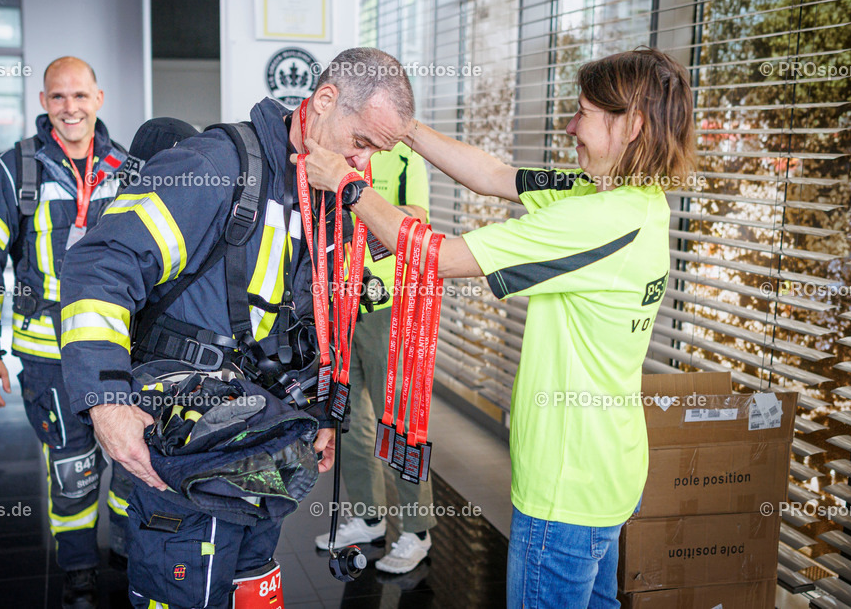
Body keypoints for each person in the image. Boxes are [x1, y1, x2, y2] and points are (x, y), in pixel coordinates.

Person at [297, 48, 697, 608]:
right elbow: (492, 175)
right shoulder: (624, 198)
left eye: (583, 113)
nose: (569, 126)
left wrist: (348, 185)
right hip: (609, 472)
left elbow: (438, 257)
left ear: (631, 125)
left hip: (566, 488)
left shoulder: (594, 219)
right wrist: (403, 128)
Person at [56, 47, 415, 608]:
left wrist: (323, 413)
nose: (362, 164)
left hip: (265, 454)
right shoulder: (217, 165)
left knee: (252, 592)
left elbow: (316, 319)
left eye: (375, 152)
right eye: (362, 142)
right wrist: (105, 401)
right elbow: (102, 265)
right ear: (322, 102)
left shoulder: (327, 196)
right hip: (186, 457)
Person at [0, 57, 147, 609]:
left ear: (100, 98)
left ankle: (128, 550)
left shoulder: (126, 167)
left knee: (132, 459)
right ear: (44, 101)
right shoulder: (11, 170)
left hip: (119, 352)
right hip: (48, 356)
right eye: (59, 97)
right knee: (73, 468)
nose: (71, 108)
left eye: (80, 96)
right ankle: (80, 568)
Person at [312, 141, 437, 574]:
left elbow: (417, 217)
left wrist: (362, 210)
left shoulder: (404, 157)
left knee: (400, 422)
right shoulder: (335, 148)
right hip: (339, 306)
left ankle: (417, 530)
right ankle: (368, 516)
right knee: (352, 422)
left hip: (389, 307)